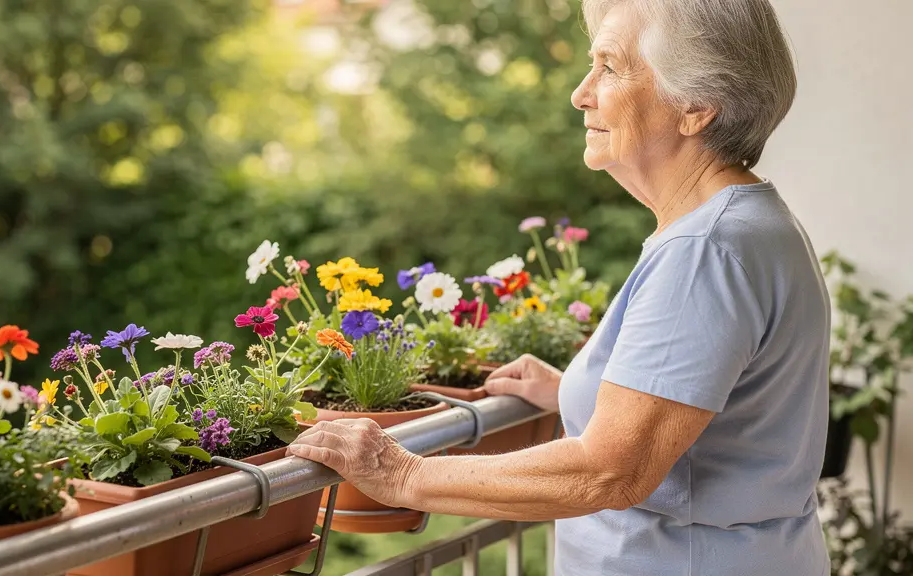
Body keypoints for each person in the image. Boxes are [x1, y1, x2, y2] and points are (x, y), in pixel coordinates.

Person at [288, 0, 831, 573]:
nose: (581, 92)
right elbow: (720, 401)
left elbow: (609, 471)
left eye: (610, 67)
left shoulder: (705, 251)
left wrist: (401, 473)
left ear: (695, 106)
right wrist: (583, 389)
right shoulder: (750, 222)